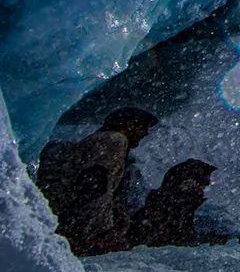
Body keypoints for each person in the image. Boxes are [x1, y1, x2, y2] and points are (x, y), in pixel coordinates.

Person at [37, 107, 158, 256]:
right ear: (127, 125)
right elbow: (96, 184)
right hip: (74, 221)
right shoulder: (113, 140)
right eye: (142, 127)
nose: (145, 133)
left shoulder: (101, 139)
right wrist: (100, 231)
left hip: (65, 216)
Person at [129, 159, 229, 248]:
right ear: (191, 185)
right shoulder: (175, 208)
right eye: (205, 184)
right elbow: (182, 240)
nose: (204, 191)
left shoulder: (175, 205)